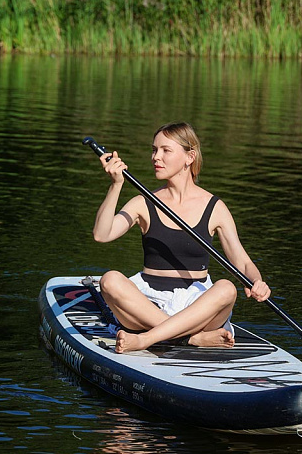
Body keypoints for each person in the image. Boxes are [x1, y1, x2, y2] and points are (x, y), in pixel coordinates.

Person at [92, 122, 271, 353]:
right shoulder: (143, 203)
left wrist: (257, 281)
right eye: (154, 150)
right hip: (147, 304)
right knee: (109, 280)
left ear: (189, 157)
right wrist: (116, 185)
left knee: (227, 288)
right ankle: (190, 339)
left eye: (166, 150)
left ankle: (147, 339)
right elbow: (102, 234)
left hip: (198, 306)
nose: (156, 157)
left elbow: (243, 262)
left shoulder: (214, 207)